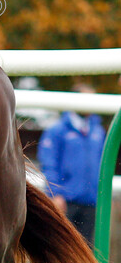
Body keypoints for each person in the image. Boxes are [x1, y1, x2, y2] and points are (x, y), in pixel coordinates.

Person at [37, 84, 106, 246]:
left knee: (85, 250)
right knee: (61, 247)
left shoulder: (98, 131)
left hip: (91, 201)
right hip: (66, 200)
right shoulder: (57, 130)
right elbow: (49, 164)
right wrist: (55, 194)